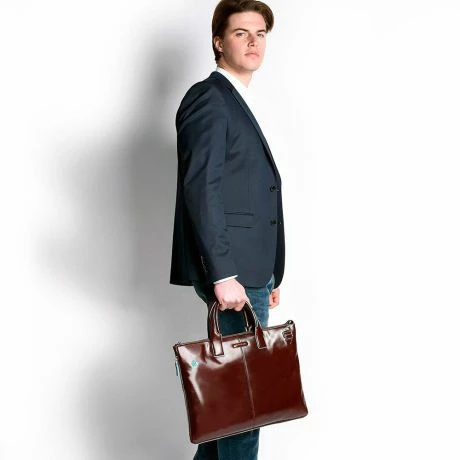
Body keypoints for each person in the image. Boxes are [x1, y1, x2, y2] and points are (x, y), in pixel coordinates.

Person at [170, 1, 284, 458]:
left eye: (260, 33)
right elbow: (202, 189)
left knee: (233, 407)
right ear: (219, 42)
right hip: (232, 273)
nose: (253, 42)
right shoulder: (210, 99)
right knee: (245, 409)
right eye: (241, 33)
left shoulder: (237, 101)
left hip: (250, 271)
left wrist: (270, 273)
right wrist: (223, 273)